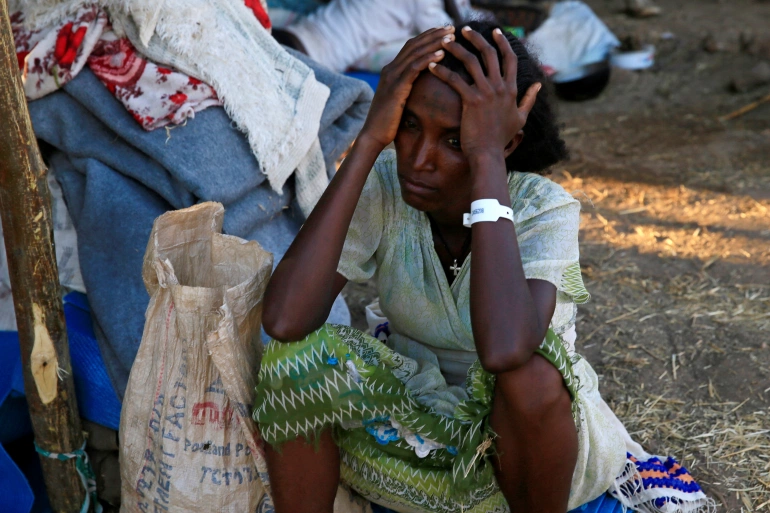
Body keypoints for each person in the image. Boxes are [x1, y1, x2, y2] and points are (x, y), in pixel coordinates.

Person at [254, 20, 712, 513]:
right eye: (409, 125)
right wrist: (369, 141)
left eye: (455, 141)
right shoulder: (386, 185)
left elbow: (506, 350)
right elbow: (286, 321)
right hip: (412, 439)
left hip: (521, 464)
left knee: (530, 375)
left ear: (506, 143)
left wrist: (487, 158)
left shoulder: (542, 209)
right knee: (291, 358)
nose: (420, 159)